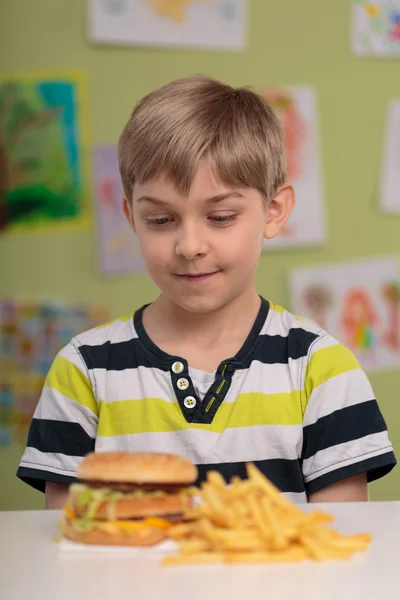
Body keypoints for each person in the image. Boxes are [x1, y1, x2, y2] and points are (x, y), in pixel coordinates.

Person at [17, 76, 396, 509]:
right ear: (131, 217)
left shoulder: (323, 372)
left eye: (220, 216)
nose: (190, 246)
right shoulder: (83, 372)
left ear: (274, 212)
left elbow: (338, 549)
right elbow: (64, 548)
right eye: (161, 220)